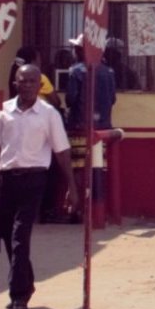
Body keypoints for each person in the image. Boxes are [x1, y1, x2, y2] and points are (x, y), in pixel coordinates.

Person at [0, 63, 75, 309]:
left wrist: (72, 187)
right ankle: (27, 283)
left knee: (19, 237)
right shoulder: (4, 112)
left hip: (34, 181)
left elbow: (62, 151)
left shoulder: (49, 114)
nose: (26, 85)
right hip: (6, 182)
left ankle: (19, 297)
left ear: (40, 85)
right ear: (15, 82)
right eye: (21, 80)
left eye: (31, 81)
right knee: (8, 237)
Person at [62, 35, 116, 217]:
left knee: (78, 168)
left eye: (76, 49)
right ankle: (97, 208)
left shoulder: (76, 71)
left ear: (80, 51)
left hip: (79, 126)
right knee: (98, 167)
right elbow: (113, 99)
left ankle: (78, 208)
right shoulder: (109, 72)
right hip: (103, 129)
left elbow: (70, 99)